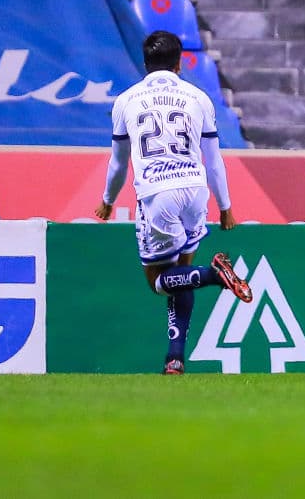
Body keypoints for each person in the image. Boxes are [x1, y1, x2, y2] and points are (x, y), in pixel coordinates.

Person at [94, 30, 253, 375]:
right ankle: (175, 358)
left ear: (145, 64)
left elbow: (119, 163)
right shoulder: (198, 98)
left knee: (158, 281)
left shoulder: (126, 100)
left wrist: (107, 200)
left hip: (158, 193)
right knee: (182, 274)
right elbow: (213, 161)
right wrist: (225, 206)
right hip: (195, 190)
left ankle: (214, 275)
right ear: (180, 63)